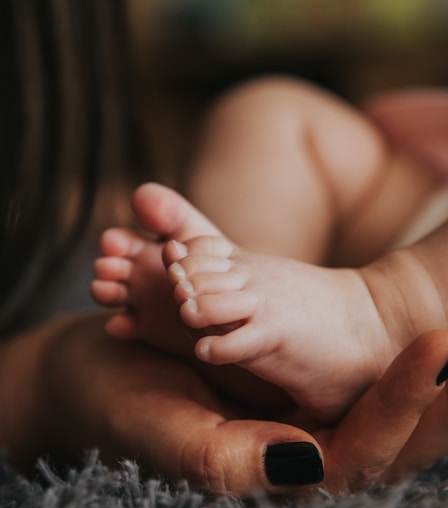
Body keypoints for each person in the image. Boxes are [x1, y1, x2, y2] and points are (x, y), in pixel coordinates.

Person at [2, 0, 448, 499]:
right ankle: (256, 295)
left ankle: (381, 313)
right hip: (402, 204)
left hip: (410, 277)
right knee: (267, 109)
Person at [91, 77, 448, 426]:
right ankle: (250, 274)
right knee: (268, 113)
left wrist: (381, 304)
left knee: (387, 302)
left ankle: (379, 318)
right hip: (414, 206)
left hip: (424, 310)